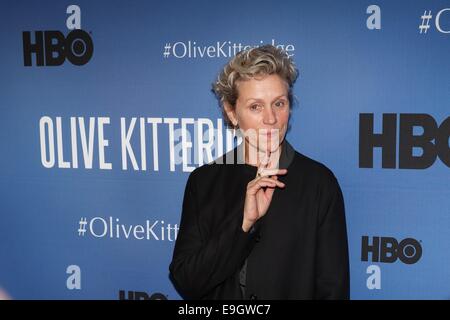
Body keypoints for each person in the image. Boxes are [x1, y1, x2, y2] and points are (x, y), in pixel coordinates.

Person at [169, 44, 349, 300]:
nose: (271, 118)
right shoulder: (204, 181)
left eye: (279, 103)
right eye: (255, 106)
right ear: (231, 112)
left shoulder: (319, 184)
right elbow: (188, 280)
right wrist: (244, 224)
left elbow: (333, 290)